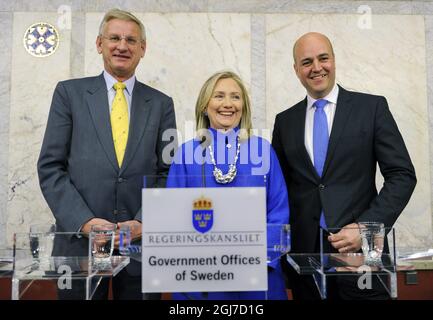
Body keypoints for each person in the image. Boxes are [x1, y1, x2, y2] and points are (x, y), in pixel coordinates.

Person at [37, 9, 177, 299]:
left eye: (131, 40)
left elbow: (168, 172)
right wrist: (84, 222)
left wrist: (143, 222)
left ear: (143, 49)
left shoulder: (162, 104)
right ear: (100, 44)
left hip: (140, 248)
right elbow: (51, 167)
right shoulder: (69, 94)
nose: (122, 46)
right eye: (114, 38)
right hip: (79, 245)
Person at [272, 32, 417, 300]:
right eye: (306, 62)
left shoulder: (372, 108)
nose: (316, 67)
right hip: (306, 263)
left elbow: (402, 175)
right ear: (296, 70)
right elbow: (281, 191)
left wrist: (366, 227)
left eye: (323, 58)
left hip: (363, 256)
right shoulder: (285, 122)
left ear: (334, 60)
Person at [167, 71, 289, 300]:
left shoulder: (263, 150)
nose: (227, 104)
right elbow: (174, 218)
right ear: (205, 105)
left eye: (235, 97)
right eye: (219, 96)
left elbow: (278, 212)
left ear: (243, 105)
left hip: (257, 276)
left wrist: (255, 258)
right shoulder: (185, 154)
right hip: (201, 277)